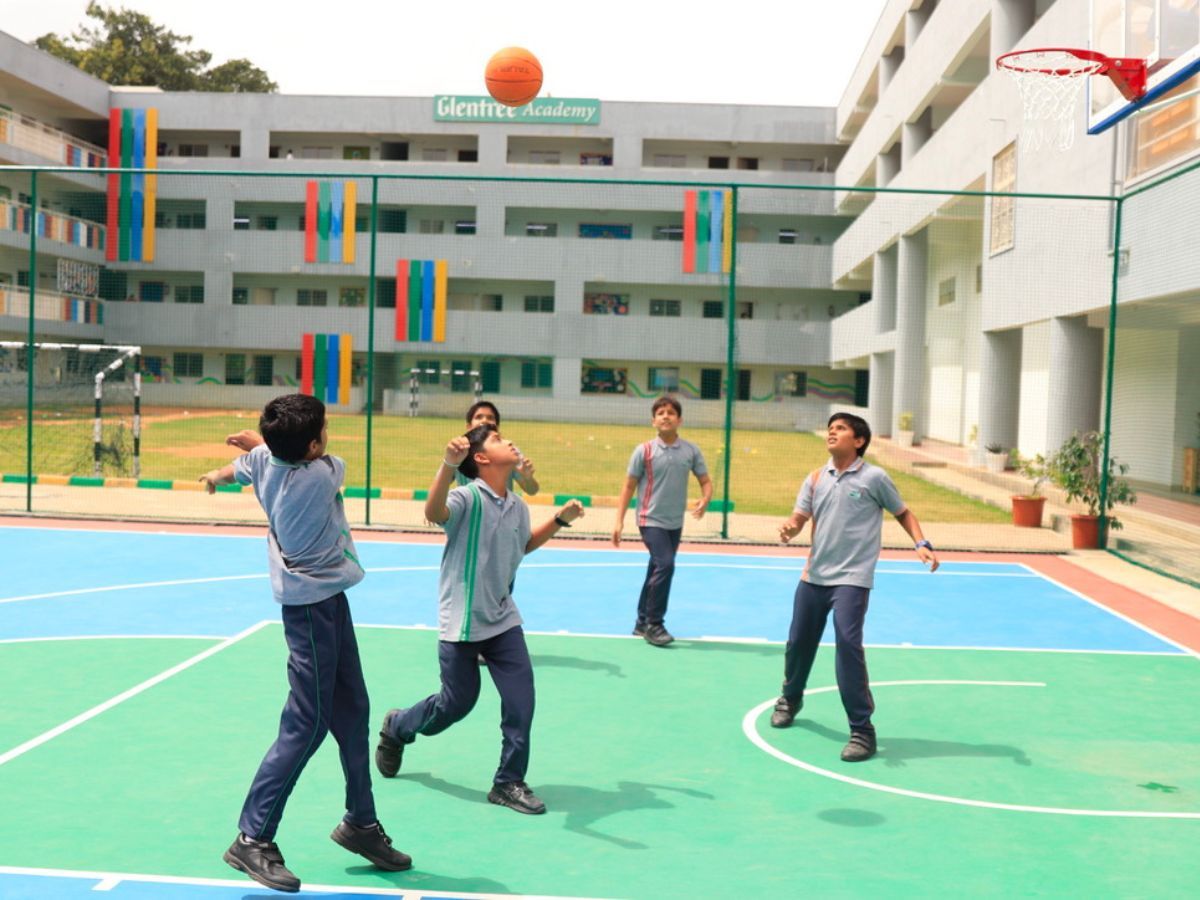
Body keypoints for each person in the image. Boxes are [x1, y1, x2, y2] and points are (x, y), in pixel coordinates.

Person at [199, 393, 411, 893]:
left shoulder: (267, 461)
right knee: (308, 721)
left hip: (328, 602)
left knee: (353, 709)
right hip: (310, 612)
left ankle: (361, 824)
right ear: (314, 446)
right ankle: (252, 837)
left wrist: (220, 473)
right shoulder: (320, 475)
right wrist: (258, 449)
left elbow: (248, 463)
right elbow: (296, 459)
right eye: (325, 431)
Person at [375, 423, 584, 815]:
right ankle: (398, 726)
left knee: (522, 700)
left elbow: (523, 545)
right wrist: (446, 464)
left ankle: (508, 782)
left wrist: (558, 520)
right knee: (455, 705)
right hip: (463, 622)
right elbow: (434, 511)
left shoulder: (517, 505)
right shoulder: (467, 498)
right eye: (499, 439)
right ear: (482, 458)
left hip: (503, 620)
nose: (510, 442)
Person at [772, 412, 939, 763]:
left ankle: (862, 731)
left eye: (841, 429)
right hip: (813, 576)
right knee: (798, 643)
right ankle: (791, 697)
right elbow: (800, 517)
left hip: (852, 578)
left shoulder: (874, 477)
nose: (832, 433)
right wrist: (790, 528)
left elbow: (903, 512)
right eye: (830, 429)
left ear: (859, 440)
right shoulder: (816, 478)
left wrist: (921, 543)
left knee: (848, 645)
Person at [611, 396, 713, 647]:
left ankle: (641, 621)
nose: (665, 416)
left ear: (679, 420)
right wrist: (619, 521)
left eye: (670, 412)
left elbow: (705, 481)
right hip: (649, 519)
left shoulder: (690, 451)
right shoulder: (644, 451)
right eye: (660, 412)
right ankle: (655, 625)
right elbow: (628, 486)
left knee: (656, 568)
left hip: (674, 522)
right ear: (653, 420)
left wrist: (705, 499)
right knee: (665, 564)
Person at [460, 400, 539, 495]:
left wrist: (528, 478)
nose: (484, 420)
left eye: (490, 417)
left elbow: (532, 490)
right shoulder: (459, 452)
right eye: (478, 417)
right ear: (468, 427)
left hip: (502, 508)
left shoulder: (510, 452)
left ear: (496, 427)